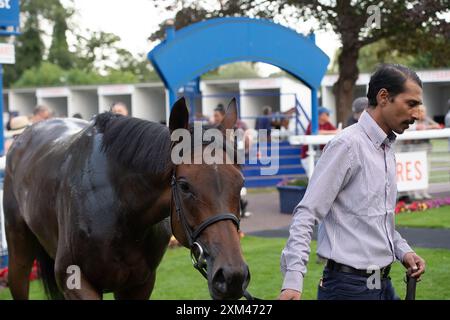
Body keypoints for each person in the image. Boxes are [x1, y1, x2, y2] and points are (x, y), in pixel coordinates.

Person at [279, 64, 426, 300]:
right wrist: (293, 280)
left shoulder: (386, 149)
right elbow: (307, 213)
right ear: (384, 97)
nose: (417, 114)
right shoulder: (347, 146)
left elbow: (378, 221)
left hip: (382, 284)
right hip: (346, 289)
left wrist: (404, 251)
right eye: (411, 104)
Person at [406, 105, 440, 200]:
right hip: (415, 149)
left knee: (426, 171)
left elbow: (437, 126)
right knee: (416, 172)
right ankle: (415, 193)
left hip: (426, 149)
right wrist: (418, 127)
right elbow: (409, 129)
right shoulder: (412, 120)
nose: (422, 113)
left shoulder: (426, 119)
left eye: (423, 111)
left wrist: (426, 127)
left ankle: (424, 192)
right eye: (420, 111)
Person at [300, 106, 339, 177]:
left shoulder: (327, 124)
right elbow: (317, 132)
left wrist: (336, 131)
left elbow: (337, 132)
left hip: (320, 156)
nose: (328, 116)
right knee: (313, 178)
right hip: (308, 156)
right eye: (327, 114)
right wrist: (334, 132)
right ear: (321, 115)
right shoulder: (313, 123)